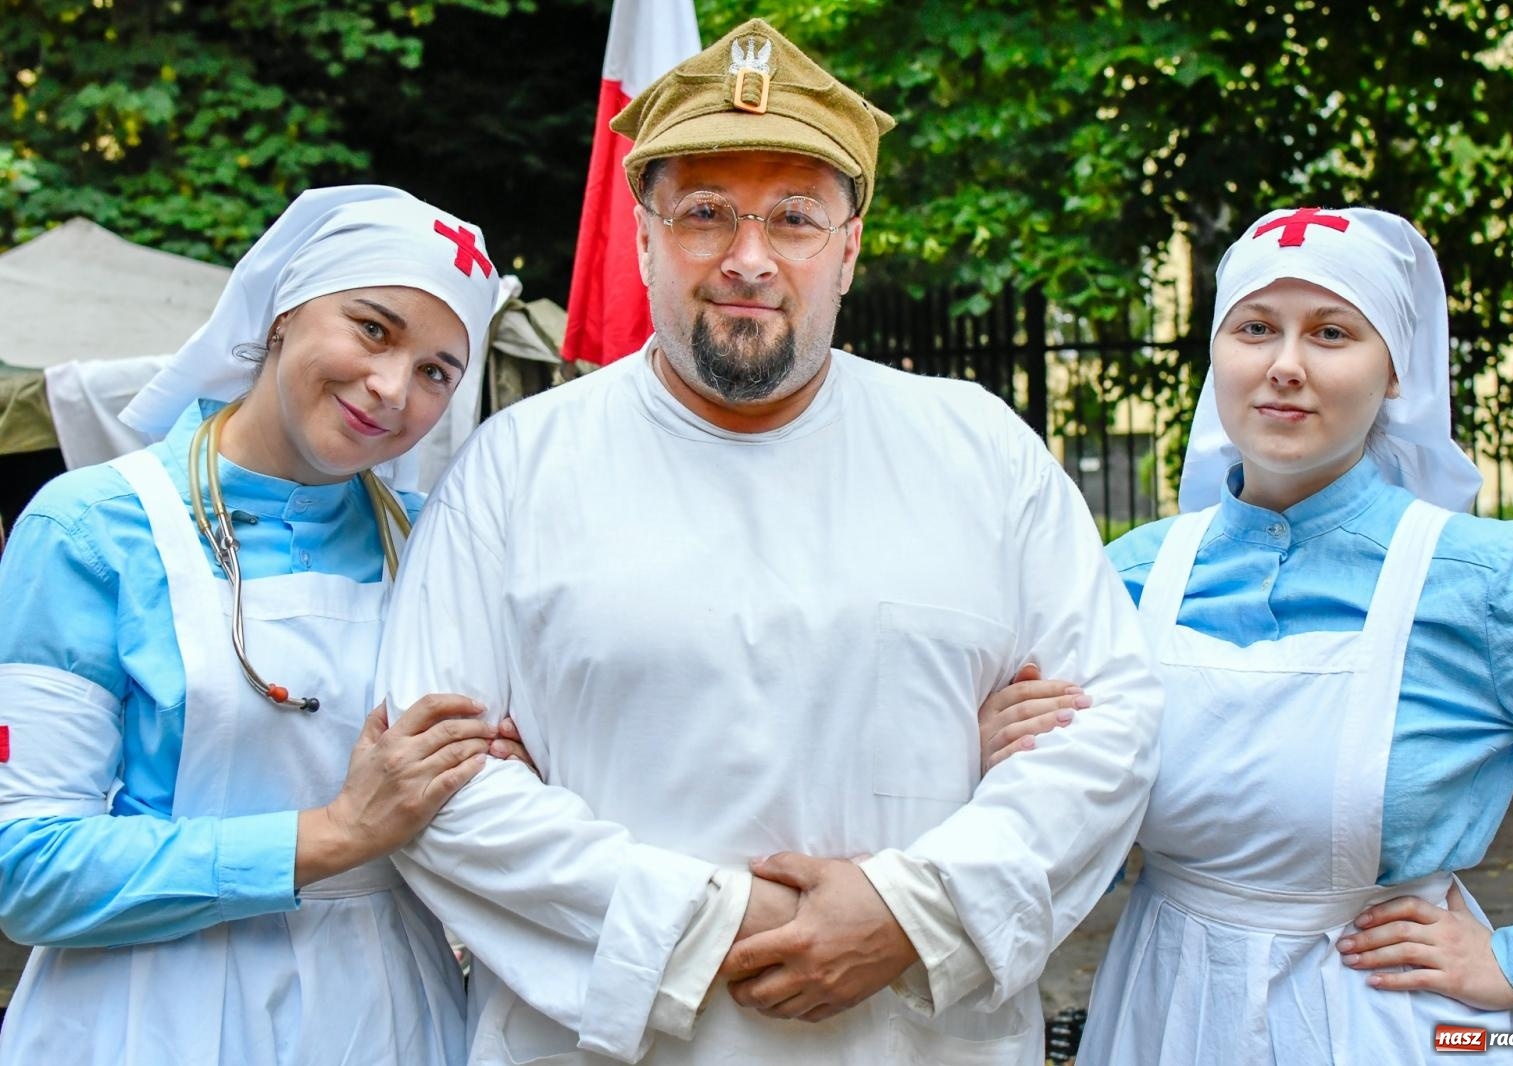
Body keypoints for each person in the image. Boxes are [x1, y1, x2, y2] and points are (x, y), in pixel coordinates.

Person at [372, 17, 1164, 1066]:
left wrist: (910, 915)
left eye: (793, 218)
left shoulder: (976, 451)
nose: (747, 259)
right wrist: (700, 925)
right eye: (705, 214)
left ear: (847, 248)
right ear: (645, 236)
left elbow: (1105, 731)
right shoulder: (515, 471)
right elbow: (438, 782)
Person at [986, 206, 1513, 1064]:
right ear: (1217, 354)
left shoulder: (1486, 582)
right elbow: (1057, 819)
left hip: (1396, 1025)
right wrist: (993, 746)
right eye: (1256, 328)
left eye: (1333, 332)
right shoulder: (1128, 577)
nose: (1284, 366)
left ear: (1396, 372)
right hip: (1160, 1017)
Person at [0, 185, 521, 1065]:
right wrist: (336, 835)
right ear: (283, 309)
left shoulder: (443, 543)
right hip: (143, 1019)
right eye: (372, 328)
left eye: (437, 370)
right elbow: (29, 870)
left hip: (394, 1019)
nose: (392, 389)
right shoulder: (90, 530)